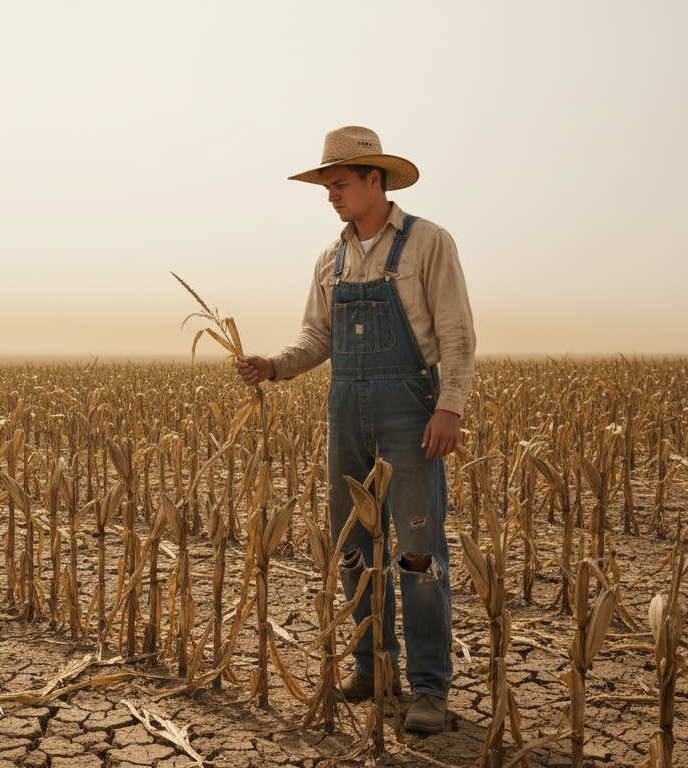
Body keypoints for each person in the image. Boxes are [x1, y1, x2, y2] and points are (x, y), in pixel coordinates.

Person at [235, 126, 475, 733]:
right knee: (352, 547)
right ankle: (371, 669)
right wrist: (275, 366)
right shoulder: (330, 258)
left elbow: (456, 333)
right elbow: (317, 336)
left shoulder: (428, 243)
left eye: (339, 183)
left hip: (411, 410)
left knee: (418, 554)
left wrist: (449, 406)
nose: (331, 195)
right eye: (326, 185)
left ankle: (428, 688)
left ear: (376, 179)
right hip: (344, 410)